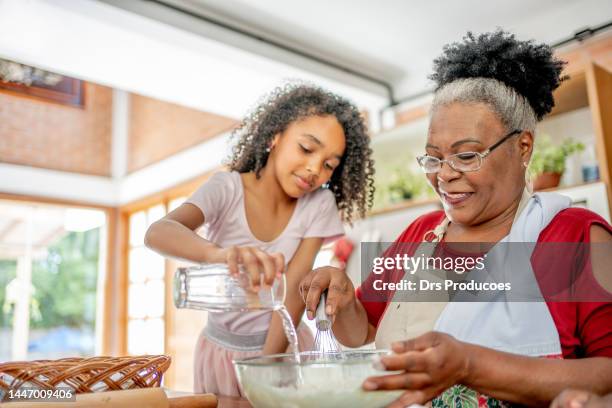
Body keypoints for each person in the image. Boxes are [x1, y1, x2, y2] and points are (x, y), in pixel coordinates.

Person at [300, 30, 612, 407]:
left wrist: (471, 364)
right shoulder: (419, 236)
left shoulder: (576, 236)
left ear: (522, 146)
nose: (443, 175)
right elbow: (362, 330)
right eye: (433, 158)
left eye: (466, 156)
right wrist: (345, 300)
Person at [144, 83, 375, 396]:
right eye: (307, 149)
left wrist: (267, 367)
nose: (314, 169)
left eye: (329, 165)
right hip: (219, 352)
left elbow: (293, 290)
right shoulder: (226, 189)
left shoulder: (317, 205)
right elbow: (157, 232)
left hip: (283, 349)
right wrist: (220, 256)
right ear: (275, 136)